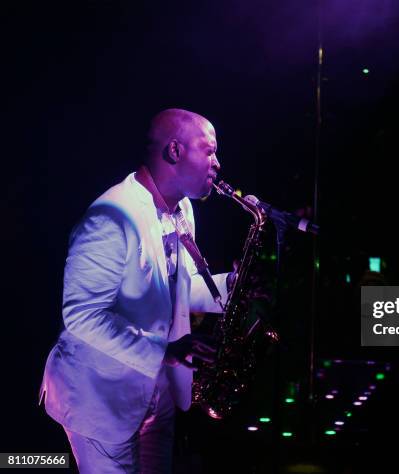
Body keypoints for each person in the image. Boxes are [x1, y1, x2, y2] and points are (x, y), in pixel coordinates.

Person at [39, 108, 233, 473]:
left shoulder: (182, 209)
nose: (217, 163)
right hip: (99, 399)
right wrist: (165, 351)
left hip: (155, 392)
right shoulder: (111, 216)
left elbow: (179, 289)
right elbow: (82, 315)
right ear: (175, 152)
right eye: (209, 151)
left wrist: (230, 285)